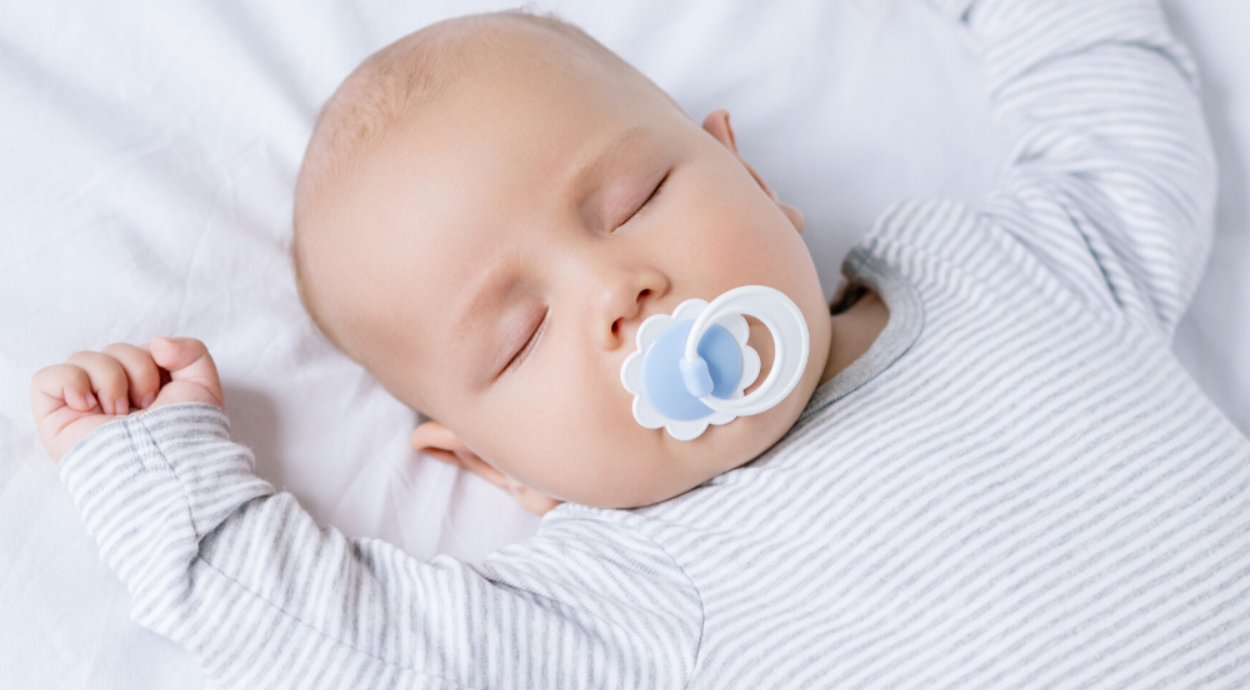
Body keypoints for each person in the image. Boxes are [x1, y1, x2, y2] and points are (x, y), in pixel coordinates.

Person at [30, 0, 1250, 687]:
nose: (618, 290)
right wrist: (161, 475)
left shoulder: (1000, 272)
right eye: (516, 342)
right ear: (494, 469)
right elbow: (339, 640)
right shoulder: (617, 610)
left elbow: (1116, 119)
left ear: (751, 174)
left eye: (627, 204)